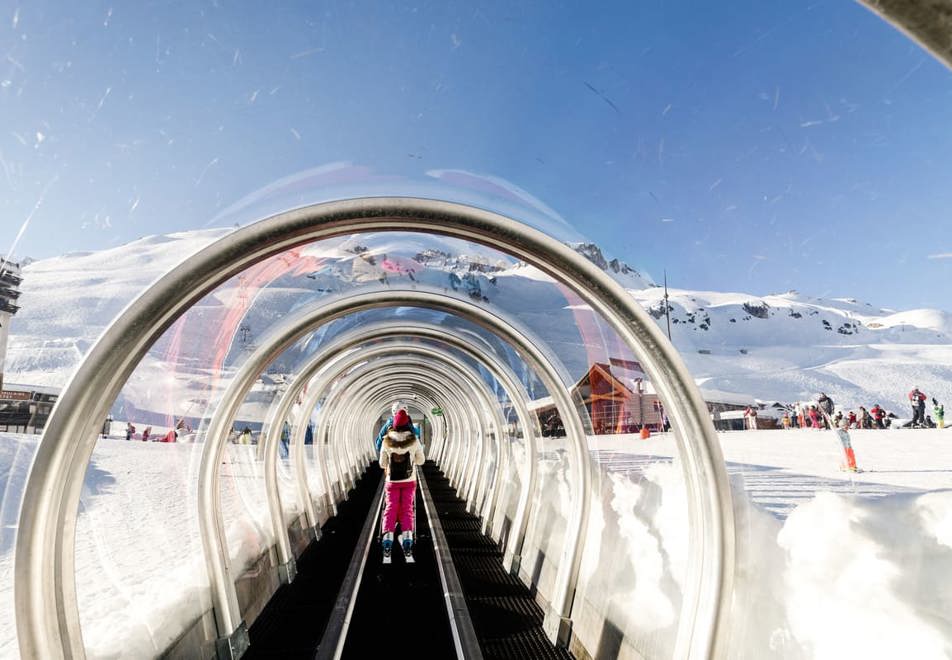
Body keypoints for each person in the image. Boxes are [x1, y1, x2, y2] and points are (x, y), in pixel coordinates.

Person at [379, 408, 425, 563]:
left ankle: (387, 539)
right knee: (407, 509)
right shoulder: (414, 440)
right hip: (409, 481)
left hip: (391, 481)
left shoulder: (386, 440)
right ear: (407, 424)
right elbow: (421, 461)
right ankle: (407, 540)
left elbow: (382, 463)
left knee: (390, 508)